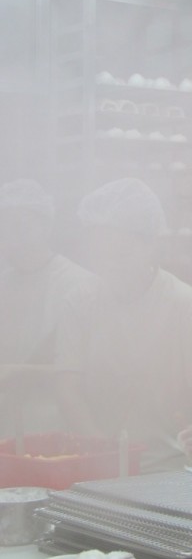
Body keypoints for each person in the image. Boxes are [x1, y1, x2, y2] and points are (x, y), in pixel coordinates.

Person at [55, 177, 192, 473]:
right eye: (103, 253)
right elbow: (67, 386)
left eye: (122, 253)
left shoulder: (181, 302)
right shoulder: (80, 302)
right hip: (95, 464)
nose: (112, 264)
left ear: (152, 245)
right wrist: (101, 449)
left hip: (169, 466)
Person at [0, 179, 97, 438]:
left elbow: (100, 371)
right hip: (7, 432)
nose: (10, 237)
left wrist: (22, 374)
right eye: (4, 227)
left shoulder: (80, 285)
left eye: (20, 226)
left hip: (59, 432)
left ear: (46, 226)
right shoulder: (4, 285)